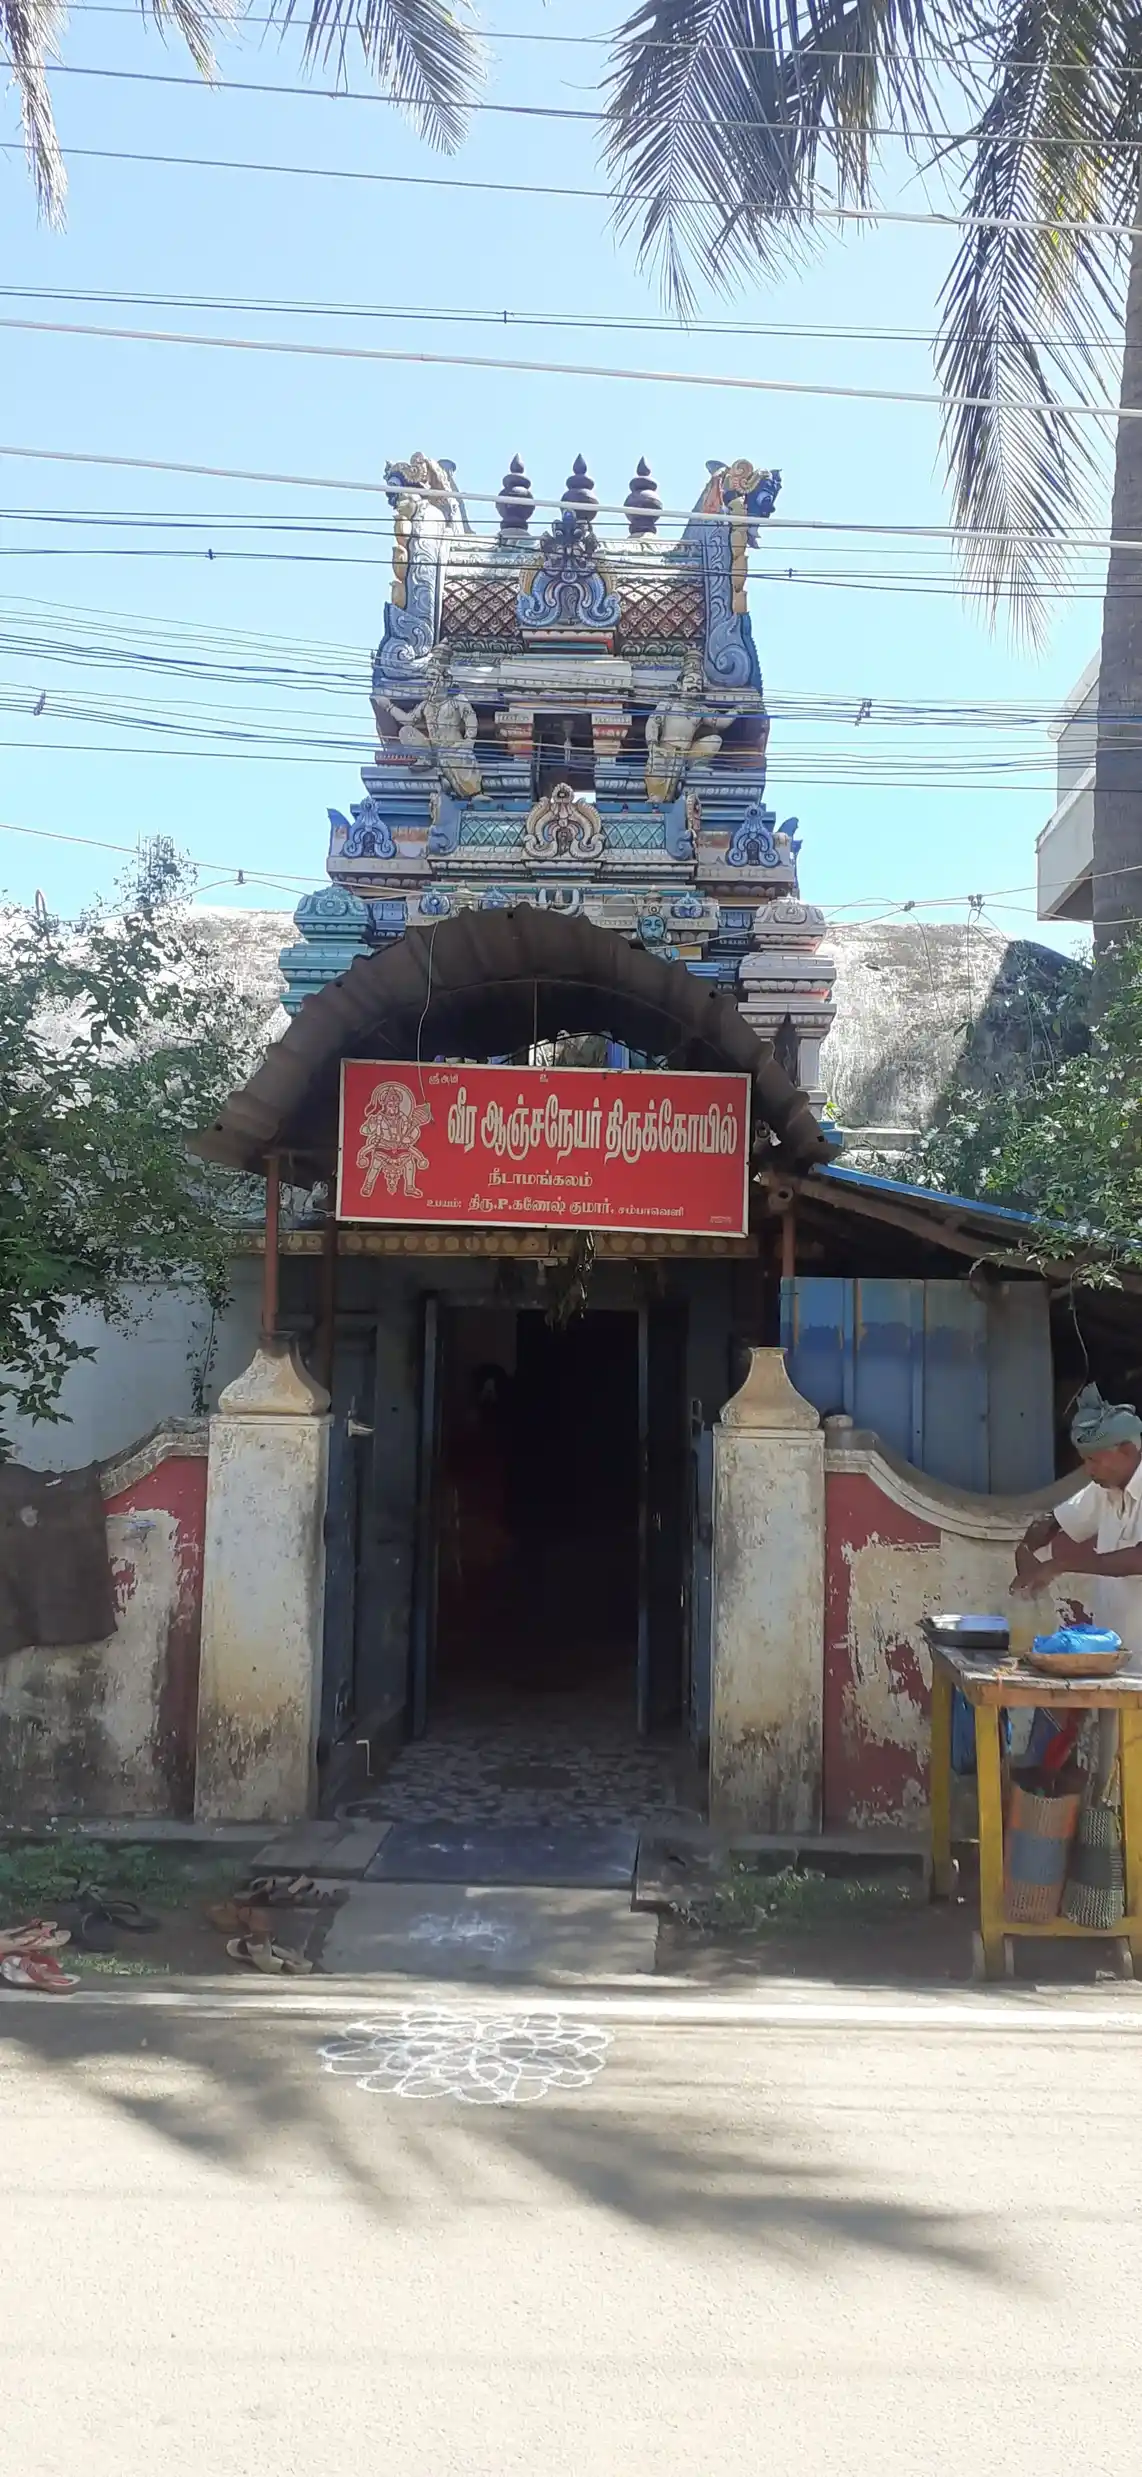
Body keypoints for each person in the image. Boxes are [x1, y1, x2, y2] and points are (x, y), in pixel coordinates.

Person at [1013, 1385, 1142, 1783]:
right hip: (1119, 1666)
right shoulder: (1105, 1489)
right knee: (1113, 1780)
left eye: (1095, 1459)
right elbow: (1055, 1522)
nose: (1089, 1469)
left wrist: (1065, 1563)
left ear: (1125, 1450)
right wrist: (1028, 1548)